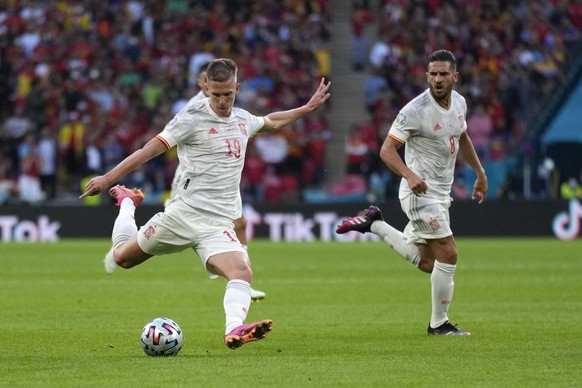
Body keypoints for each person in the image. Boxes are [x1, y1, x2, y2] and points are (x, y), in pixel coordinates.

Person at [80, 58, 331, 349]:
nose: (222, 101)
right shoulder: (189, 118)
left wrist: (307, 108)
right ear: (206, 88)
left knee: (241, 271)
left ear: (236, 88)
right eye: (216, 95)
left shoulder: (242, 119)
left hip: (217, 224)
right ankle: (127, 203)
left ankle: (233, 330)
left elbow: (272, 121)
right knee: (122, 258)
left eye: (228, 94)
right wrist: (108, 178)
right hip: (182, 216)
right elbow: (148, 150)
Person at [336, 50, 487, 336]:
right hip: (419, 193)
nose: (438, 79)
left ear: (455, 76)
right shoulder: (414, 110)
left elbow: (462, 136)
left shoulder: (460, 104)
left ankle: (375, 223)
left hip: (441, 194)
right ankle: (439, 325)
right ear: (426, 76)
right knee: (450, 253)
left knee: (431, 262)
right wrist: (409, 174)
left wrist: (481, 173)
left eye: (444, 74)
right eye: (433, 74)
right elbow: (386, 150)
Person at [165, 62, 267, 302]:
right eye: (202, 80)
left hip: (223, 178)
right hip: (199, 179)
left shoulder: (226, 102)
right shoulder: (194, 109)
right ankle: (231, 271)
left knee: (240, 223)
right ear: (203, 84)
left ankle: (241, 278)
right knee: (215, 226)